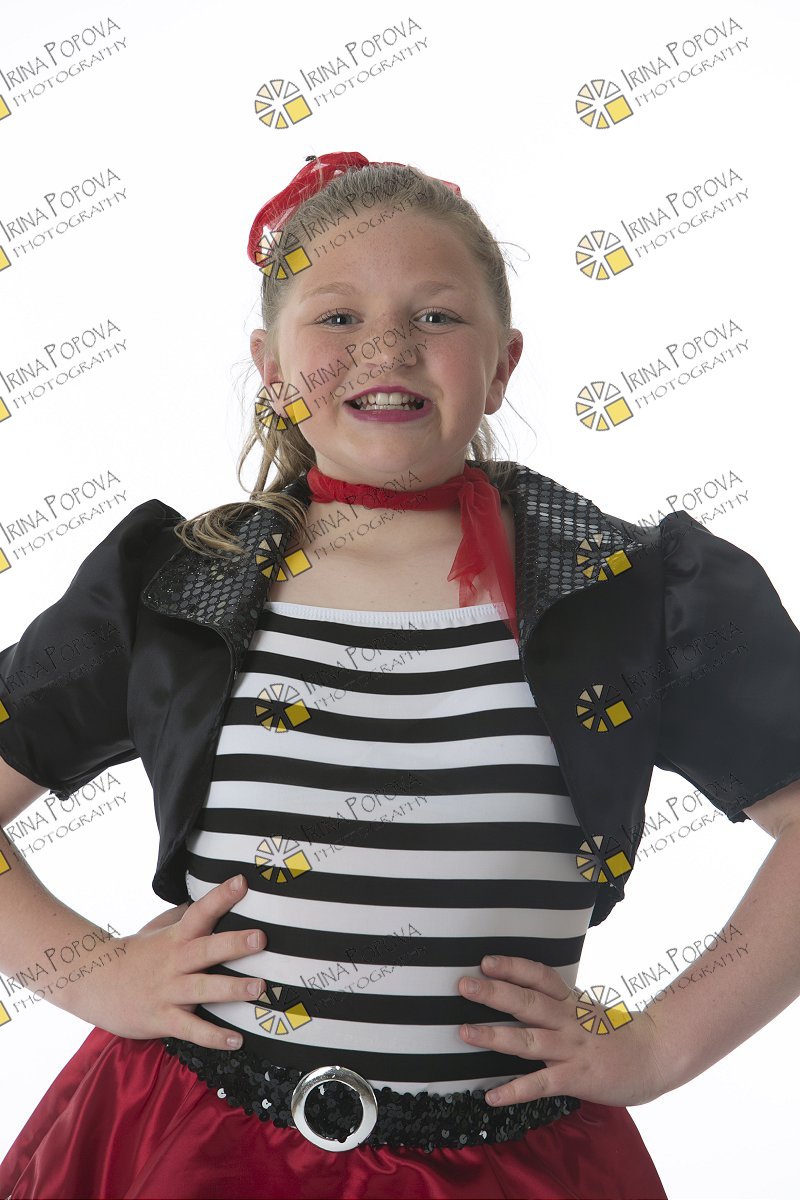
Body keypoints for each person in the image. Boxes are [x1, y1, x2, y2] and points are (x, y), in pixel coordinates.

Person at [0, 151, 798, 1200]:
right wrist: (92, 972)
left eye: (435, 316)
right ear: (270, 365)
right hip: (198, 1149)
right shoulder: (173, 584)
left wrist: (661, 1045)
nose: (386, 347)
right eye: (337, 317)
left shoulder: (631, 591)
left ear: (503, 365)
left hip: (513, 1166)